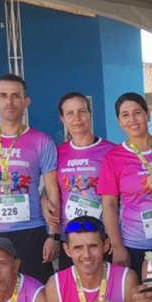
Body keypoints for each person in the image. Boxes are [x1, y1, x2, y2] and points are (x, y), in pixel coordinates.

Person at [0, 74, 60, 284]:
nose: (9, 101)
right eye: (3, 96)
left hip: (31, 231)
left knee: (38, 294)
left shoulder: (42, 141)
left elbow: (53, 190)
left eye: (16, 96)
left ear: (26, 102)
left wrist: (53, 236)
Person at [97, 92, 152, 275]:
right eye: (125, 115)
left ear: (147, 114)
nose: (132, 119)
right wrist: (117, 245)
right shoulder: (113, 158)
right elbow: (109, 205)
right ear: (119, 122)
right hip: (135, 244)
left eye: (137, 112)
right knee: (144, 298)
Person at [43, 92, 115, 270]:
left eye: (82, 111)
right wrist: (43, 198)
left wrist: (114, 235)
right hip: (70, 237)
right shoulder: (56, 152)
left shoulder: (111, 151)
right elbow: (51, 187)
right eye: (70, 113)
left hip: (102, 236)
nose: (77, 118)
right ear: (62, 119)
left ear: (90, 114)